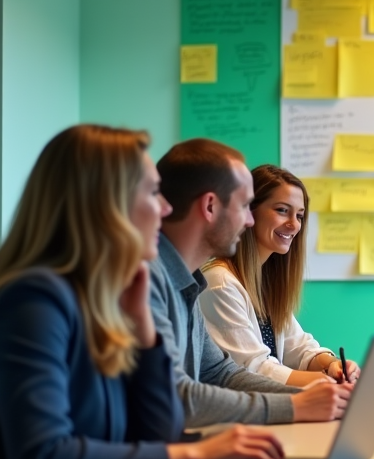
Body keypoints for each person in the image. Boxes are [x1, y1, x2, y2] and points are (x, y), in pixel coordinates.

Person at [0, 126, 284, 459]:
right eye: (153, 194)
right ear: (106, 206)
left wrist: (144, 332)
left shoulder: (106, 297)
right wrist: (196, 456)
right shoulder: (31, 302)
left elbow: (159, 431)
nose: (163, 209)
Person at [150, 139, 352, 427]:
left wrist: (306, 398)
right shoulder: (152, 281)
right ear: (210, 206)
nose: (248, 220)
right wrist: (294, 404)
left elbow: (220, 373)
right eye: (244, 206)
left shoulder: (187, 282)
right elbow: (179, 396)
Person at [199, 165, 359, 386]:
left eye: (300, 215)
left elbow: (299, 347)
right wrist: (328, 380)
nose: (294, 224)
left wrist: (332, 364)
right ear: (249, 212)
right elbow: (252, 369)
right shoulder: (219, 282)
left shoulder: (263, 281)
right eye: (282, 210)